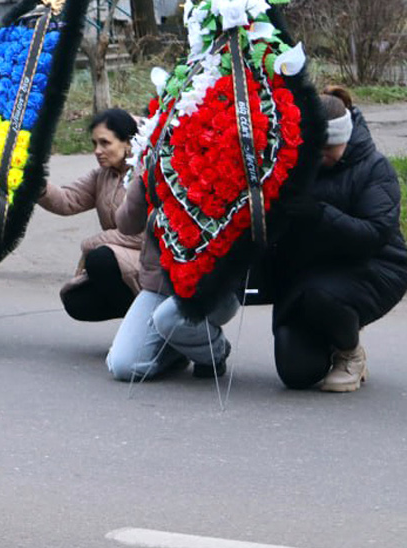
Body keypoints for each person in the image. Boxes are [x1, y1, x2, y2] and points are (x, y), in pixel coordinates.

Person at [270, 90, 407, 391]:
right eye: (316, 148)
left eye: (329, 148)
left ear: (346, 137)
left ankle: (350, 354)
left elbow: (373, 236)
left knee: (324, 295)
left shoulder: (375, 168)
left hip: (375, 268)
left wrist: (319, 214)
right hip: (311, 274)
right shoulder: (297, 165)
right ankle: (333, 333)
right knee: (296, 373)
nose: (321, 156)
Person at [108, 173, 239, 381]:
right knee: (123, 366)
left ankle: (214, 352)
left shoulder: (226, 148)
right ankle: (179, 348)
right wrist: (142, 176)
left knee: (169, 318)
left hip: (213, 286)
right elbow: (126, 225)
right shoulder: (156, 155)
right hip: (159, 284)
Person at [37, 109, 144, 322]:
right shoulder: (102, 175)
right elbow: (68, 200)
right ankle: (140, 330)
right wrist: (37, 184)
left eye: (105, 143)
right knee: (77, 301)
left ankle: (147, 330)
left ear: (129, 143)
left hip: (152, 264)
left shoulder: (146, 174)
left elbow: (141, 236)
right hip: (122, 260)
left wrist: (90, 244)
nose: (97, 151)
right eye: (94, 143)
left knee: (100, 259)